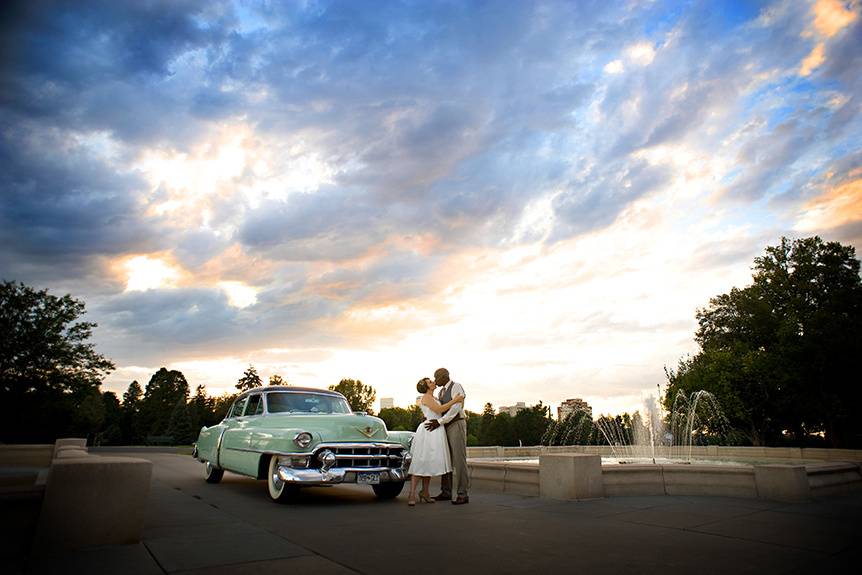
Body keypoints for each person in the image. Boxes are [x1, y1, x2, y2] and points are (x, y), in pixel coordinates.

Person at [407, 377, 465, 506]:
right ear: (426, 387)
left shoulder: (435, 397)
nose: (433, 382)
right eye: (430, 382)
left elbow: (439, 410)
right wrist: (455, 400)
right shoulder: (426, 397)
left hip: (436, 429)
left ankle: (425, 492)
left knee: (429, 462)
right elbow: (439, 410)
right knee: (421, 461)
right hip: (429, 429)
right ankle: (411, 493)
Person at [425, 367, 470, 504]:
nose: (435, 380)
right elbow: (440, 410)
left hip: (456, 424)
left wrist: (439, 422)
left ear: (444, 376)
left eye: (436, 377)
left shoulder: (456, 386)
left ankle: (463, 494)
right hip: (444, 426)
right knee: (446, 458)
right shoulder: (440, 392)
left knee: (459, 459)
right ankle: (446, 492)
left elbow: (456, 408)